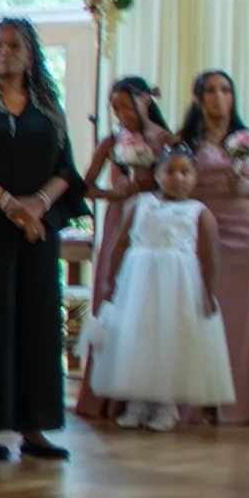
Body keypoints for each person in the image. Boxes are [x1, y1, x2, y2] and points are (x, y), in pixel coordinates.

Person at [0, 18, 87, 463]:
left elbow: (66, 168)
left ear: (31, 54)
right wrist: (11, 205)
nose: (5, 52)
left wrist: (37, 207)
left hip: (38, 230)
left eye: (15, 45)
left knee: (37, 324)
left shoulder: (49, 104)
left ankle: (35, 427)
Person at [81, 148, 235, 427]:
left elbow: (211, 258)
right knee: (136, 336)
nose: (178, 178)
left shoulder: (200, 212)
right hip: (138, 281)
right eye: (170, 171)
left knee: (172, 337)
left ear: (195, 176)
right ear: (157, 174)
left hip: (179, 284)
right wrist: (110, 282)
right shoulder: (138, 203)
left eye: (185, 172)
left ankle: (167, 406)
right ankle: (136, 403)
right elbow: (119, 244)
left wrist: (209, 292)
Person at [177, 68, 249, 423]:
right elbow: (170, 186)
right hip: (202, 228)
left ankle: (239, 404)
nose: (219, 97)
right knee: (199, 311)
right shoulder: (184, 140)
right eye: (211, 90)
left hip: (245, 233)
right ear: (199, 98)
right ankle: (197, 403)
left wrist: (248, 189)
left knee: (241, 318)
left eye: (226, 90)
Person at [72, 75, 165, 427]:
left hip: (155, 222)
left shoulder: (164, 139)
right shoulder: (111, 141)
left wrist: (148, 189)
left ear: (144, 102)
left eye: (126, 105)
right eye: (115, 108)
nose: (121, 113)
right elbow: (84, 187)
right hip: (119, 220)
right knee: (115, 294)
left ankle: (151, 395)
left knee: (149, 304)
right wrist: (116, 194)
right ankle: (109, 397)